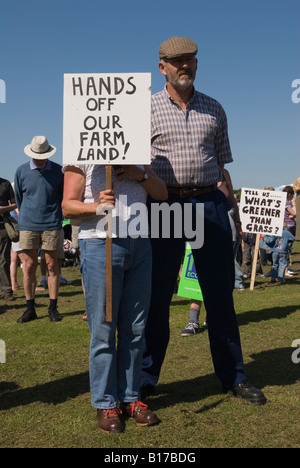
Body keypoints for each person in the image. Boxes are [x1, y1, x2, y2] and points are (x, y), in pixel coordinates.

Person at [141, 36, 266, 406]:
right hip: (164, 208)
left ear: (196, 64)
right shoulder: (144, 109)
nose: (184, 66)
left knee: (219, 294)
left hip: (209, 204)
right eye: (176, 61)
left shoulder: (214, 108)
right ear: (161, 67)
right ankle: (146, 381)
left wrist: (237, 214)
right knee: (158, 295)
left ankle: (234, 377)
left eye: (190, 60)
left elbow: (222, 167)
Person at [62, 163, 167, 433]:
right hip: (99, 243)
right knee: (103, 330)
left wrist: (139, 174)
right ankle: (106, 402)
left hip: (140, 243)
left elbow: (162, 193)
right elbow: (67, 207)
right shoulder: (82, 154)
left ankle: (131, 398)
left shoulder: (141, 156)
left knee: (134, 330)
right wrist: (95, 207)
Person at [14, 136, 64, 323]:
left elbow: (61, 198)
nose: (40, 158)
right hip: (28, 226)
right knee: (28, 267)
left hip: (52, 224)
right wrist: (27, 217)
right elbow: (19, 198)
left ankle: (53, 307)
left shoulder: (59, 171)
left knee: (52, 266)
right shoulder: (21, 171)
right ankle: (30, 308)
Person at [0, 178, 17, 301]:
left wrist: (4, 209)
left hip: (3, 226)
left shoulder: (5, 184)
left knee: (4, 260)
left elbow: (16, 203)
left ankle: (6, 291)